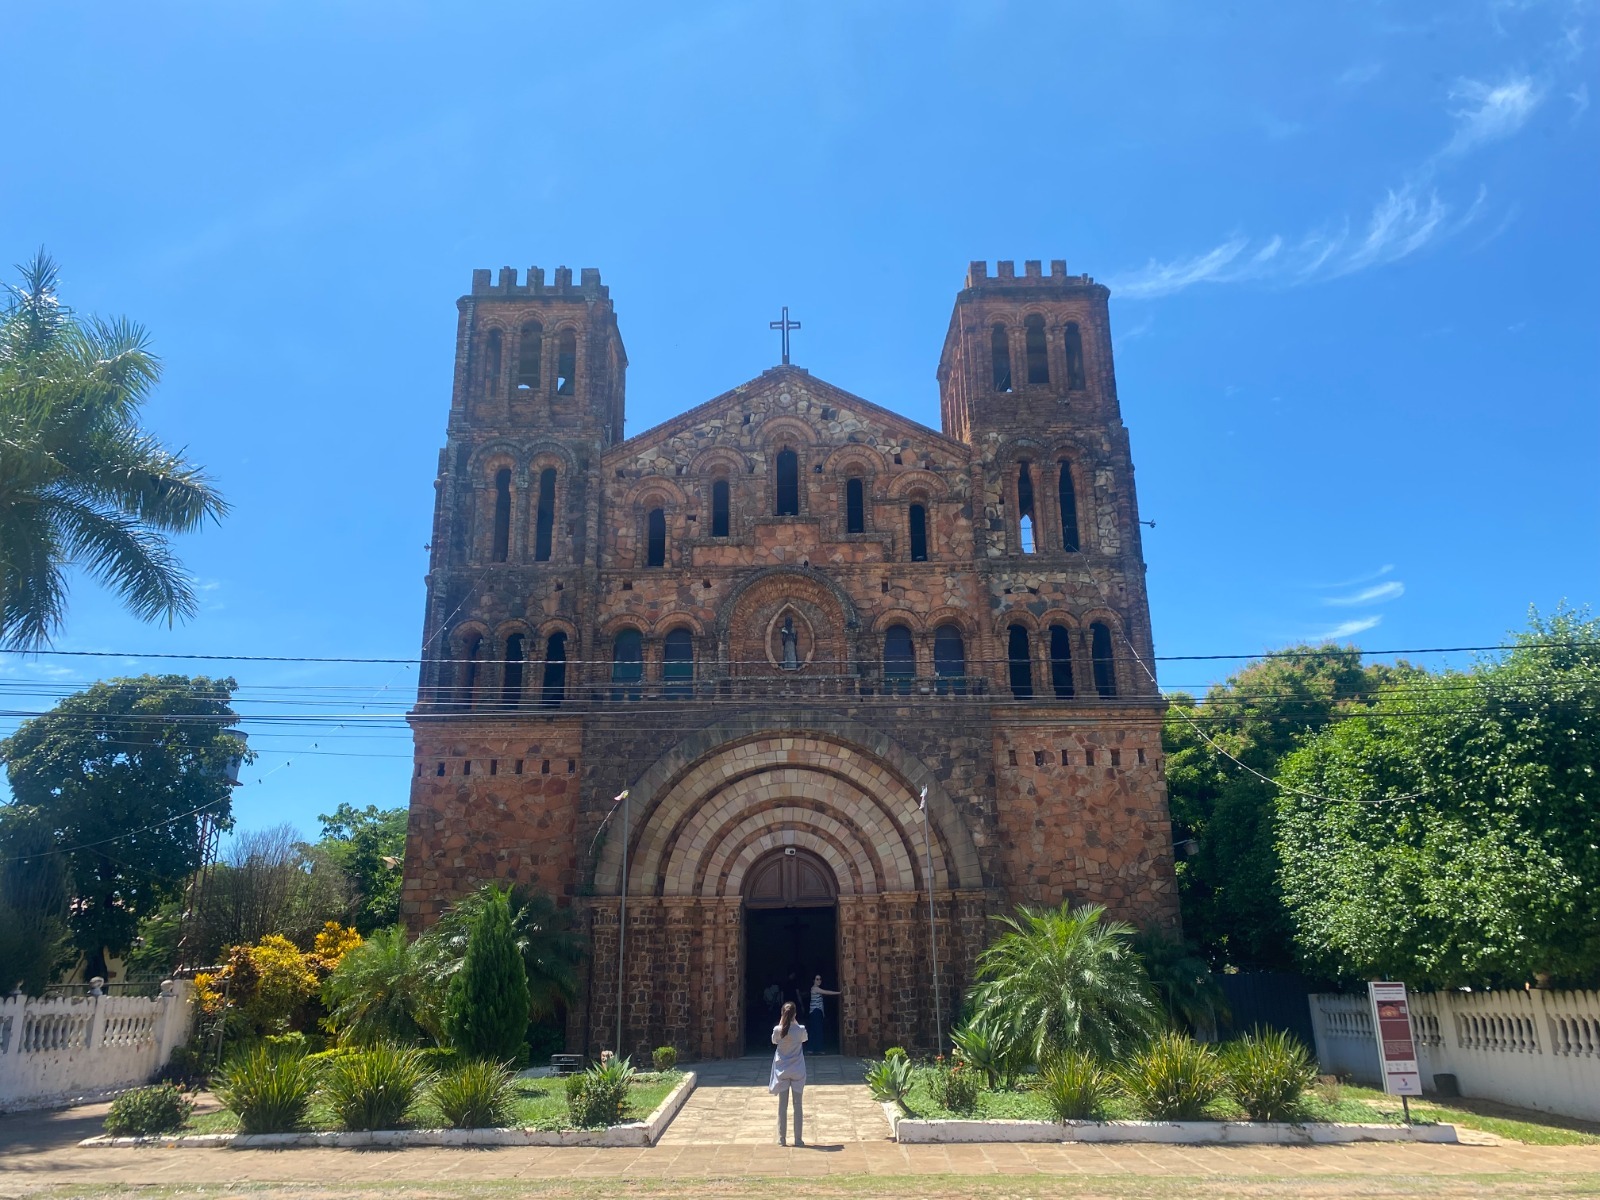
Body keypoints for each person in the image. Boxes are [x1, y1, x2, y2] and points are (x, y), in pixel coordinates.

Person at [769, 1000, 808, 1146]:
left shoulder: (778, 1030)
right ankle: (798, 1139)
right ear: (795, 1014)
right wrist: (794, 1022)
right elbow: (804, 1038)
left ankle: (782, 1138)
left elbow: (774, 1041)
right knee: (798, 1105)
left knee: (782, 1106)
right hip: (797, 1070)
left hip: (782, 1070)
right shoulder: (800, 1030)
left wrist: (782, 1022)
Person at [807, 974, 841, 1055]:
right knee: (816, 1030)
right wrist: (838, 993)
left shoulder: (817, 989)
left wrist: (823, 1013)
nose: (819, 981)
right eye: (817, 979)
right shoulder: (815, 988)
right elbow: (826, 992)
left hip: (818, 1012)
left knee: (816, 1030)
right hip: (815, 1012)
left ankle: (814, 1049)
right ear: (814, 981)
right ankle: (815, 1049)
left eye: (820, 979)